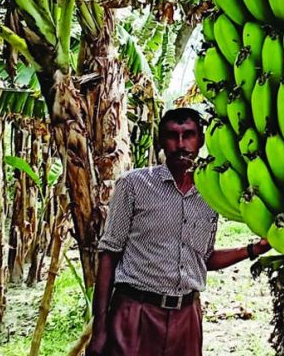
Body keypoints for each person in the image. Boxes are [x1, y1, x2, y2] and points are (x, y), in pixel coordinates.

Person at [86, 107, 271, 356]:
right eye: (173, 136)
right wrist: (100, 328)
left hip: (186, 316)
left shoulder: (212, 195)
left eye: (189, 135)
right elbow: (109, 253)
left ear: (201, 140)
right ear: (162, 141)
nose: (181, 144)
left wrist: (252, 250)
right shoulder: (133, 185)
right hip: (135, 313)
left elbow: (204, 259)